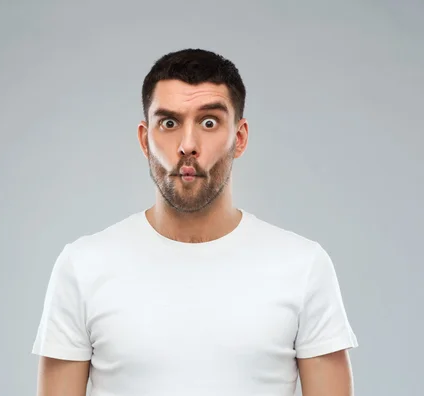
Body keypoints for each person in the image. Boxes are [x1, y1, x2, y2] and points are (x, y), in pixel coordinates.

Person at [31, 48, 359, 396]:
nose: (188, 145)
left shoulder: (304, 266)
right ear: (145, 139)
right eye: (169, 123)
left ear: (240, 138)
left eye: (209, 122)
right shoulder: (82, 266)